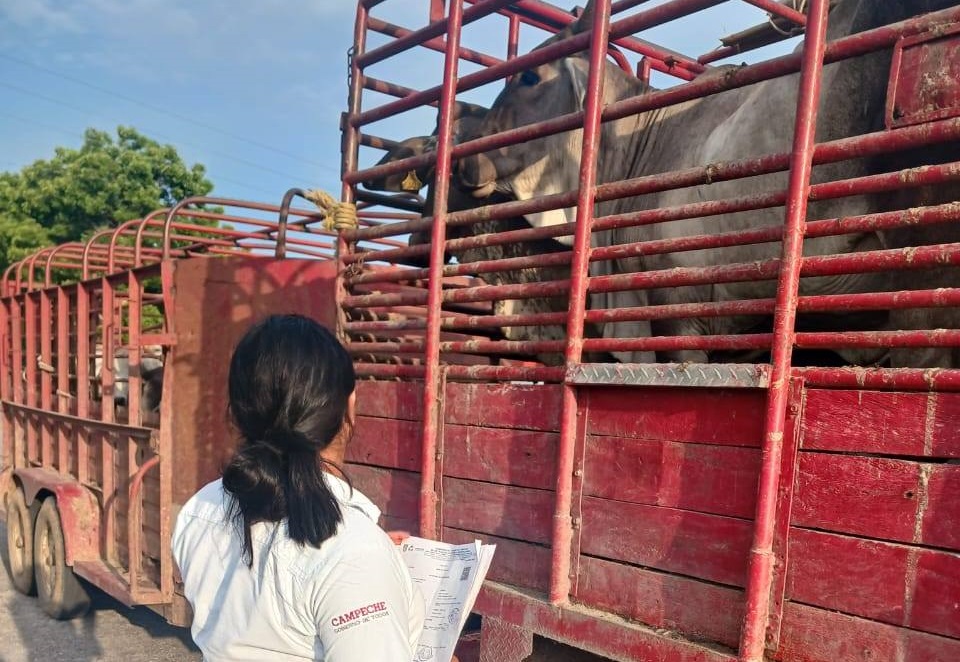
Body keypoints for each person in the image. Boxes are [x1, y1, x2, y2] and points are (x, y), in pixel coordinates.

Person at [172, 314, 424, 661]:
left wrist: (365, 559)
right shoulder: (352, 550)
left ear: (238, 412)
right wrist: (362, 559)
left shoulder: (199, 511)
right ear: (349, 406)